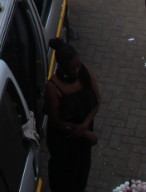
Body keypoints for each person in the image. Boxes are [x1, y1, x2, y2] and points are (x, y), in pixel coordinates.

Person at [45, 38, 100, 192]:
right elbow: (56, 121)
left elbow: (96, 102)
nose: (77, 71)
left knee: (82, 172)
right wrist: (83, 132)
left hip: (82, 136)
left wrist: (84, 127)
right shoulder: (53, 87)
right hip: (65, 140)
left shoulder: (85, 72)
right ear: (62, 68)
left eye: (77, 66)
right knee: (64, 177)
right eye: (72, 69)